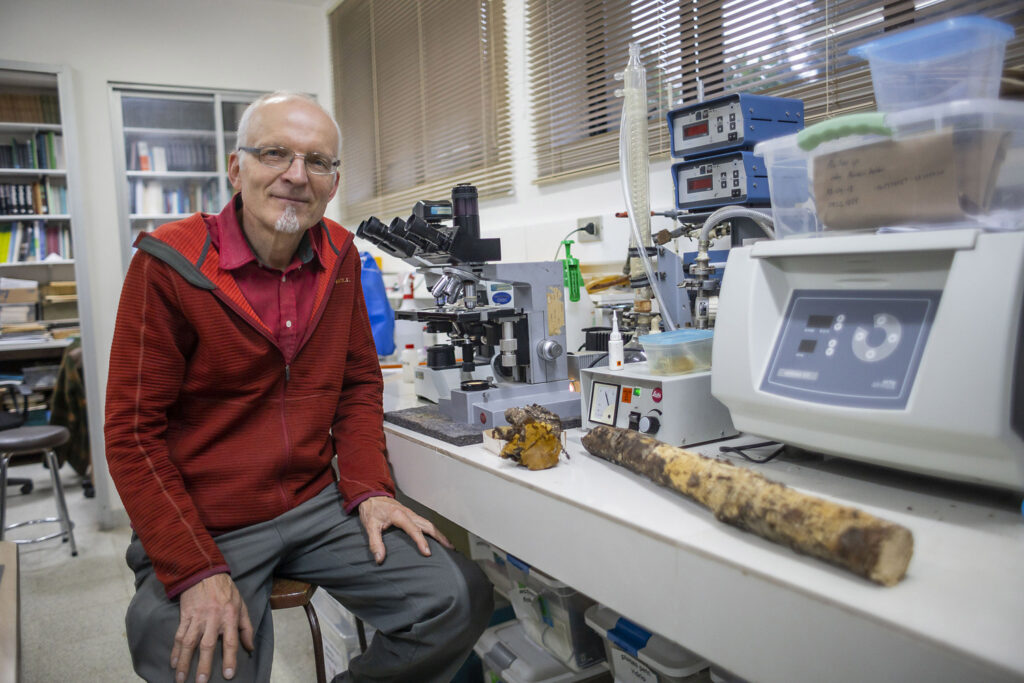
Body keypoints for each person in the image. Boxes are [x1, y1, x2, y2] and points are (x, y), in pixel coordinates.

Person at [104, 91, 493, 683]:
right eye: (275, 154)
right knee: (195, 658)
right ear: (236, 168)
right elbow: (132, 434)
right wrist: (193, 568)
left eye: (317, 161)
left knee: (455, 597)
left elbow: (358, 383)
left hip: (315, 507)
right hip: (209, 518)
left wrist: (369, 489)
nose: (295, 175)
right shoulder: (170, 265)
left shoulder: (339, 255)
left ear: (333, 182)